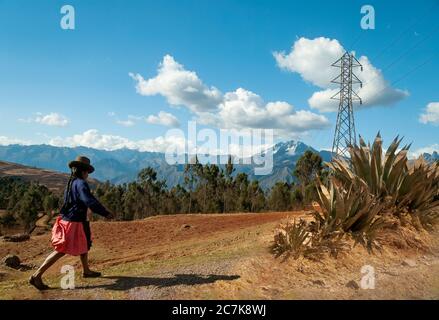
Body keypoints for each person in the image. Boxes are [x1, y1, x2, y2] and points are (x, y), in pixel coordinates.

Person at [29, 156, 113, 290]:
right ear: (84, 171)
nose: (87, 175)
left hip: (74, 219)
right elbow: (89, 200)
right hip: (74, 221)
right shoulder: (81, 183)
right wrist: (105, 213)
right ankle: (37, 275)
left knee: (85, 242)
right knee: (61, 250)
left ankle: (86, 271)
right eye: (87, 172)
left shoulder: (72, 182)